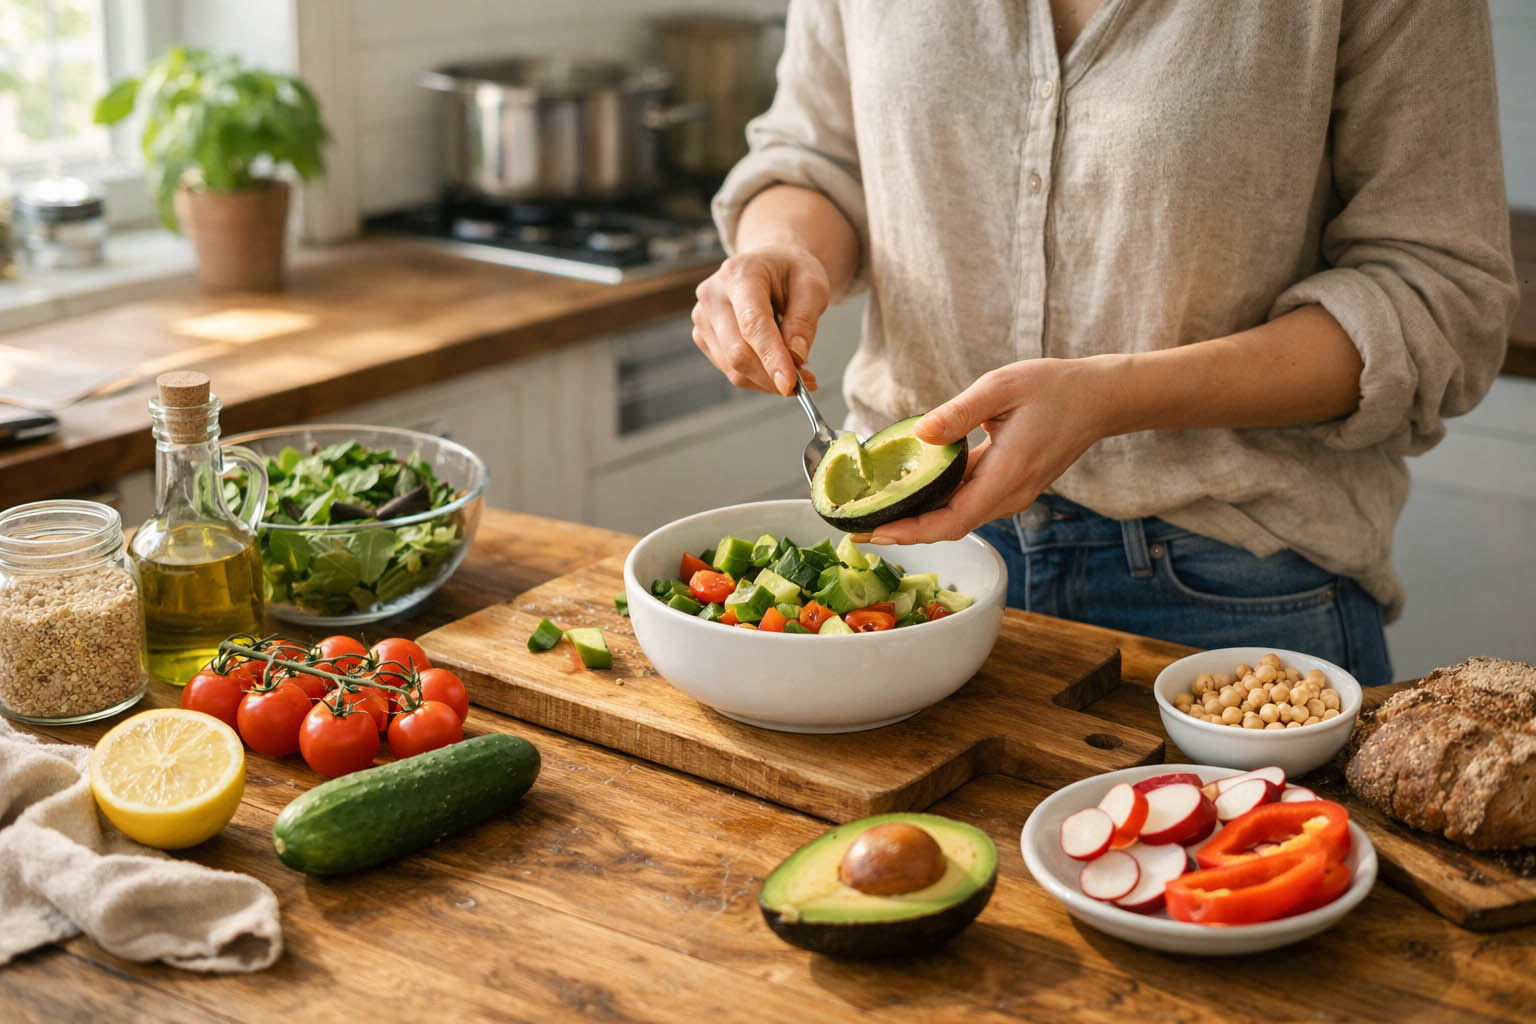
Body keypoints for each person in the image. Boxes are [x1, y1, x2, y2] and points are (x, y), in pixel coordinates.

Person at [689, 0, 1520, 686]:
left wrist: (1112, 399)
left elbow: (1438, 293)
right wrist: (783, 247)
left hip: (1232, 591)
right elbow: (814, 153)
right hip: (919, 577)